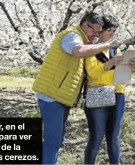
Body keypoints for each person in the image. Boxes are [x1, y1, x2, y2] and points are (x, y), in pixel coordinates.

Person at [32, 12, 121, 165]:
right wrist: (106, 45)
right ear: (85, 25)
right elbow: (78, 51)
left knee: (56, 140)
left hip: (60, 96)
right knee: (52, 140)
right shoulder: (72, 36)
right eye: (94, 31)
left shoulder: (83, 39)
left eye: (99, 32)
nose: (95, 35)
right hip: (52, 95)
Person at [84, 15, 135, 165]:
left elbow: (121, 73)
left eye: (114, 31)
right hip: (98, 94)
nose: (112, 34)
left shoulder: (116, 49)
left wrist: (132, 67)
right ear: (100, 30)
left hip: (117, 94)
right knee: (96, 138)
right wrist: (109, 63)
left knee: (114, 137)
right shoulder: (90, 49)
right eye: (109, 30)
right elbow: (92, 73)